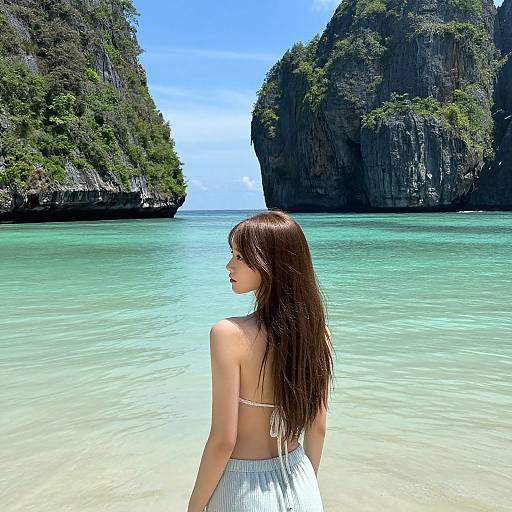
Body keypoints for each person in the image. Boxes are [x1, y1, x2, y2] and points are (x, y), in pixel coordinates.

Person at [187, 209, 335, 512]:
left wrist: (194, 508)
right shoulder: (319, 333)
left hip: (242, 491)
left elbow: (223, 440)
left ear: (270, 263)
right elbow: (318, 427)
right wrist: (306, 485)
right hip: (302, 483)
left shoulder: (228, 334)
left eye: (239, 257)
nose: (229, 265)